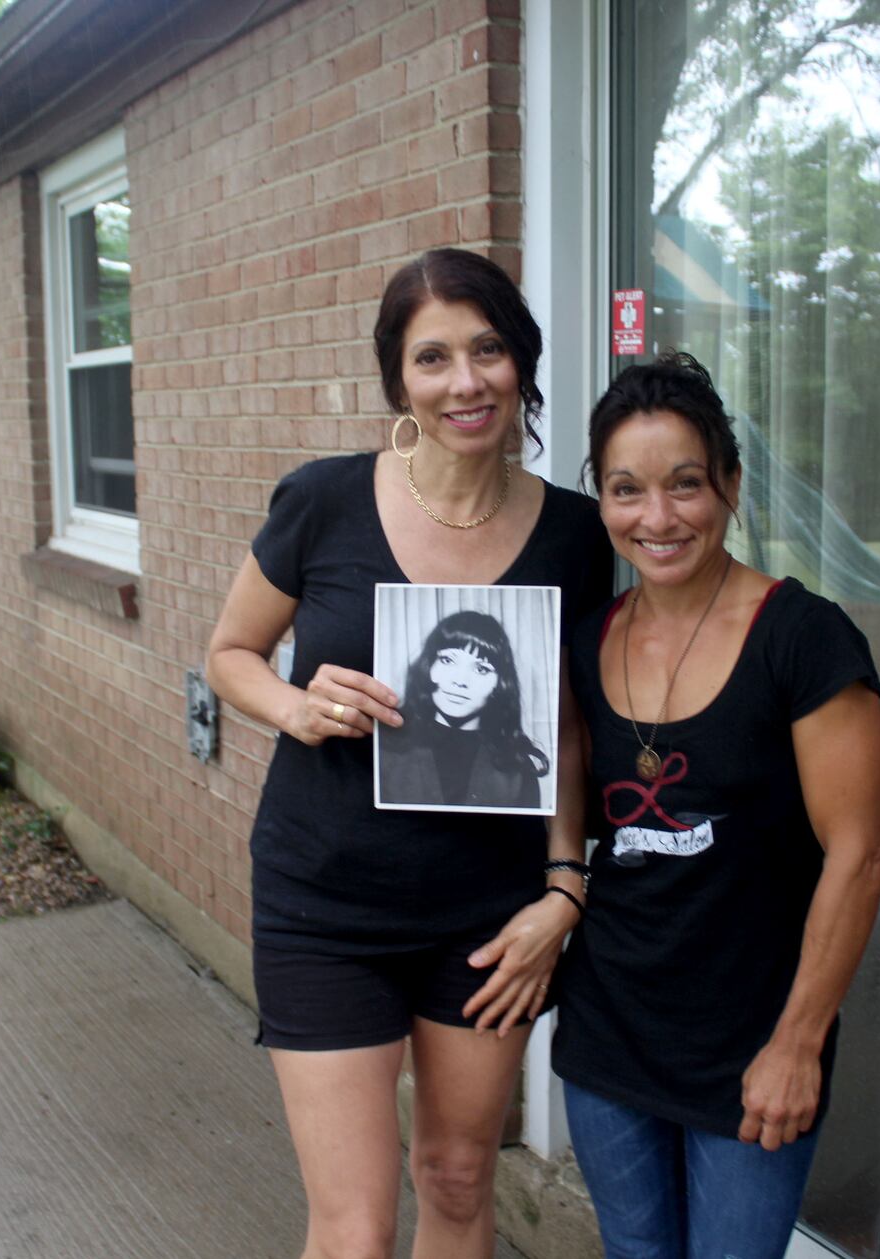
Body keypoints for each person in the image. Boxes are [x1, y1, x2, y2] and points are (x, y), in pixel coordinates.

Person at [205, 247, 604, 1259]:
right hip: (323, 900)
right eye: (433, 358)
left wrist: (563, 884)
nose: (464, 381)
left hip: (485, 910)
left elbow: (564, 723)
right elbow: (229, 653)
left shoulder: (574, 533)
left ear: (520, 359)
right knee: (354, 1225)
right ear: (399, 381)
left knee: (461, 1177)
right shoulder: (326, 500)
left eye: (486, 349)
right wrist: (295, 706)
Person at [553, 351, 880, 1259]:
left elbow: (857, 858)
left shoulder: (804, 639)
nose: (657, 518)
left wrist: (798, 1042)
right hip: (610, 1032)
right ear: (603, 500)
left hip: (752, 1043)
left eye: (686, 484)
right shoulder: (588, 643)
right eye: (626, 490)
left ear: (732, 486)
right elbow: (571, 815)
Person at [378, 609, 550, 809]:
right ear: (429, 668)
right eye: (448, 660)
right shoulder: (385, 746)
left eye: (481, 669)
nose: (460, 681)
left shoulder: (517, 769)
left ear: (499, 685)